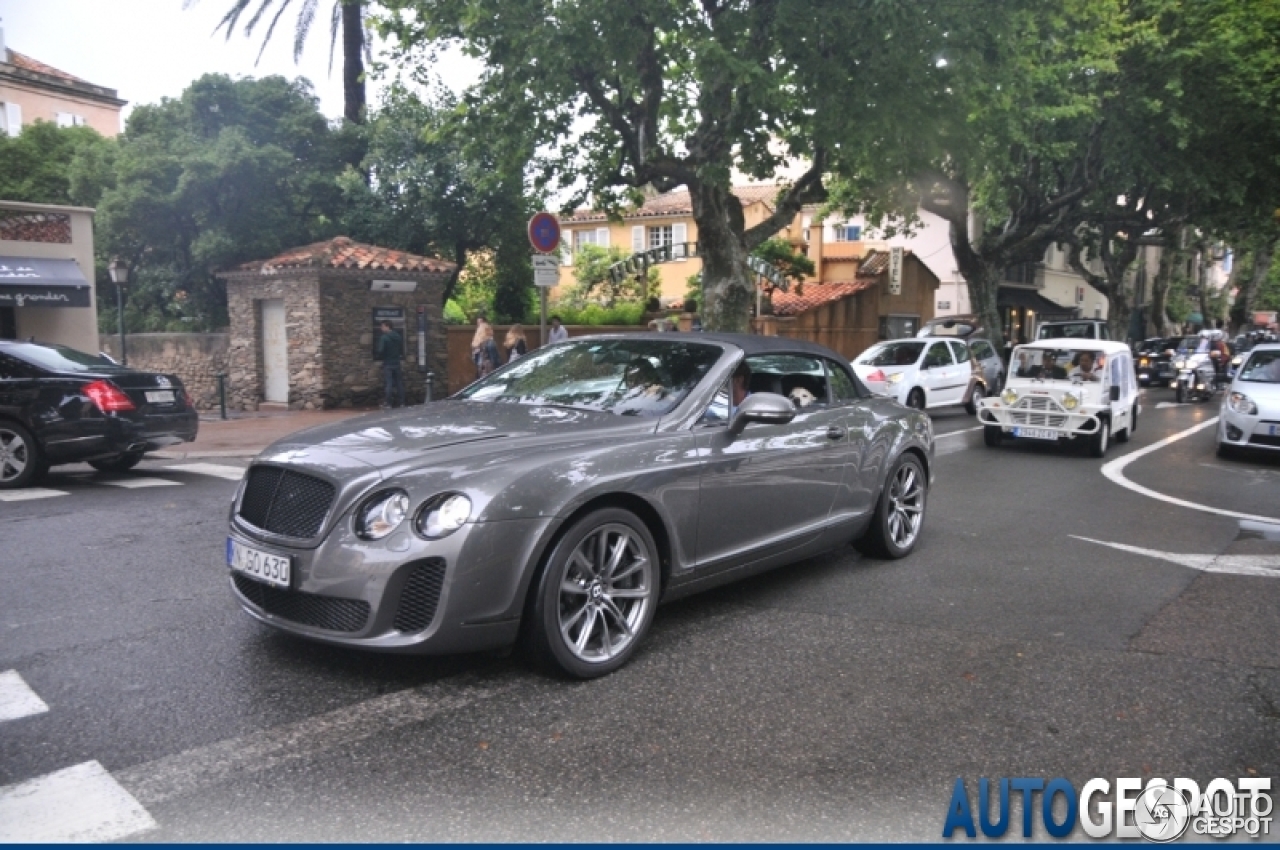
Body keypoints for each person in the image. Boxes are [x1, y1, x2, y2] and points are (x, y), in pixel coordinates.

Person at [376, 320, 405, 408]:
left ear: (387, 326)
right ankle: (402, 402)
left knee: (389, 383)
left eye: (382, 326)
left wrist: (379, 356)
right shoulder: (398, 336)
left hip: (388, 362)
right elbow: (401, 348)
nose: (381, 328)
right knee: (399, 383)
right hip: (397, 362)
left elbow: (380, 350)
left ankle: (388, 403)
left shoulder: (384, 338)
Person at [471, 314, 498, 378]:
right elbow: (494, 360)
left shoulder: (476, 344)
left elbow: (474, 359)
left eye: (480, 322)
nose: (479, 325)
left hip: (481, 371)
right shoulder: (490, 342)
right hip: (489, 372)